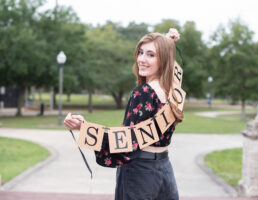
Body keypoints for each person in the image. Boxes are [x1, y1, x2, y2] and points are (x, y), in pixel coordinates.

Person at [64, 28, 184, 200]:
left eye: (151, 55)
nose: (141, 59)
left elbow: (124, 142)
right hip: (165, 172)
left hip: (140, 174)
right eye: (141, 52)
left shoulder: (143, 92)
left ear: (163, 59)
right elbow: (171, 70)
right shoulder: (172, 91)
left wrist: (83, 127)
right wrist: (166, 42)